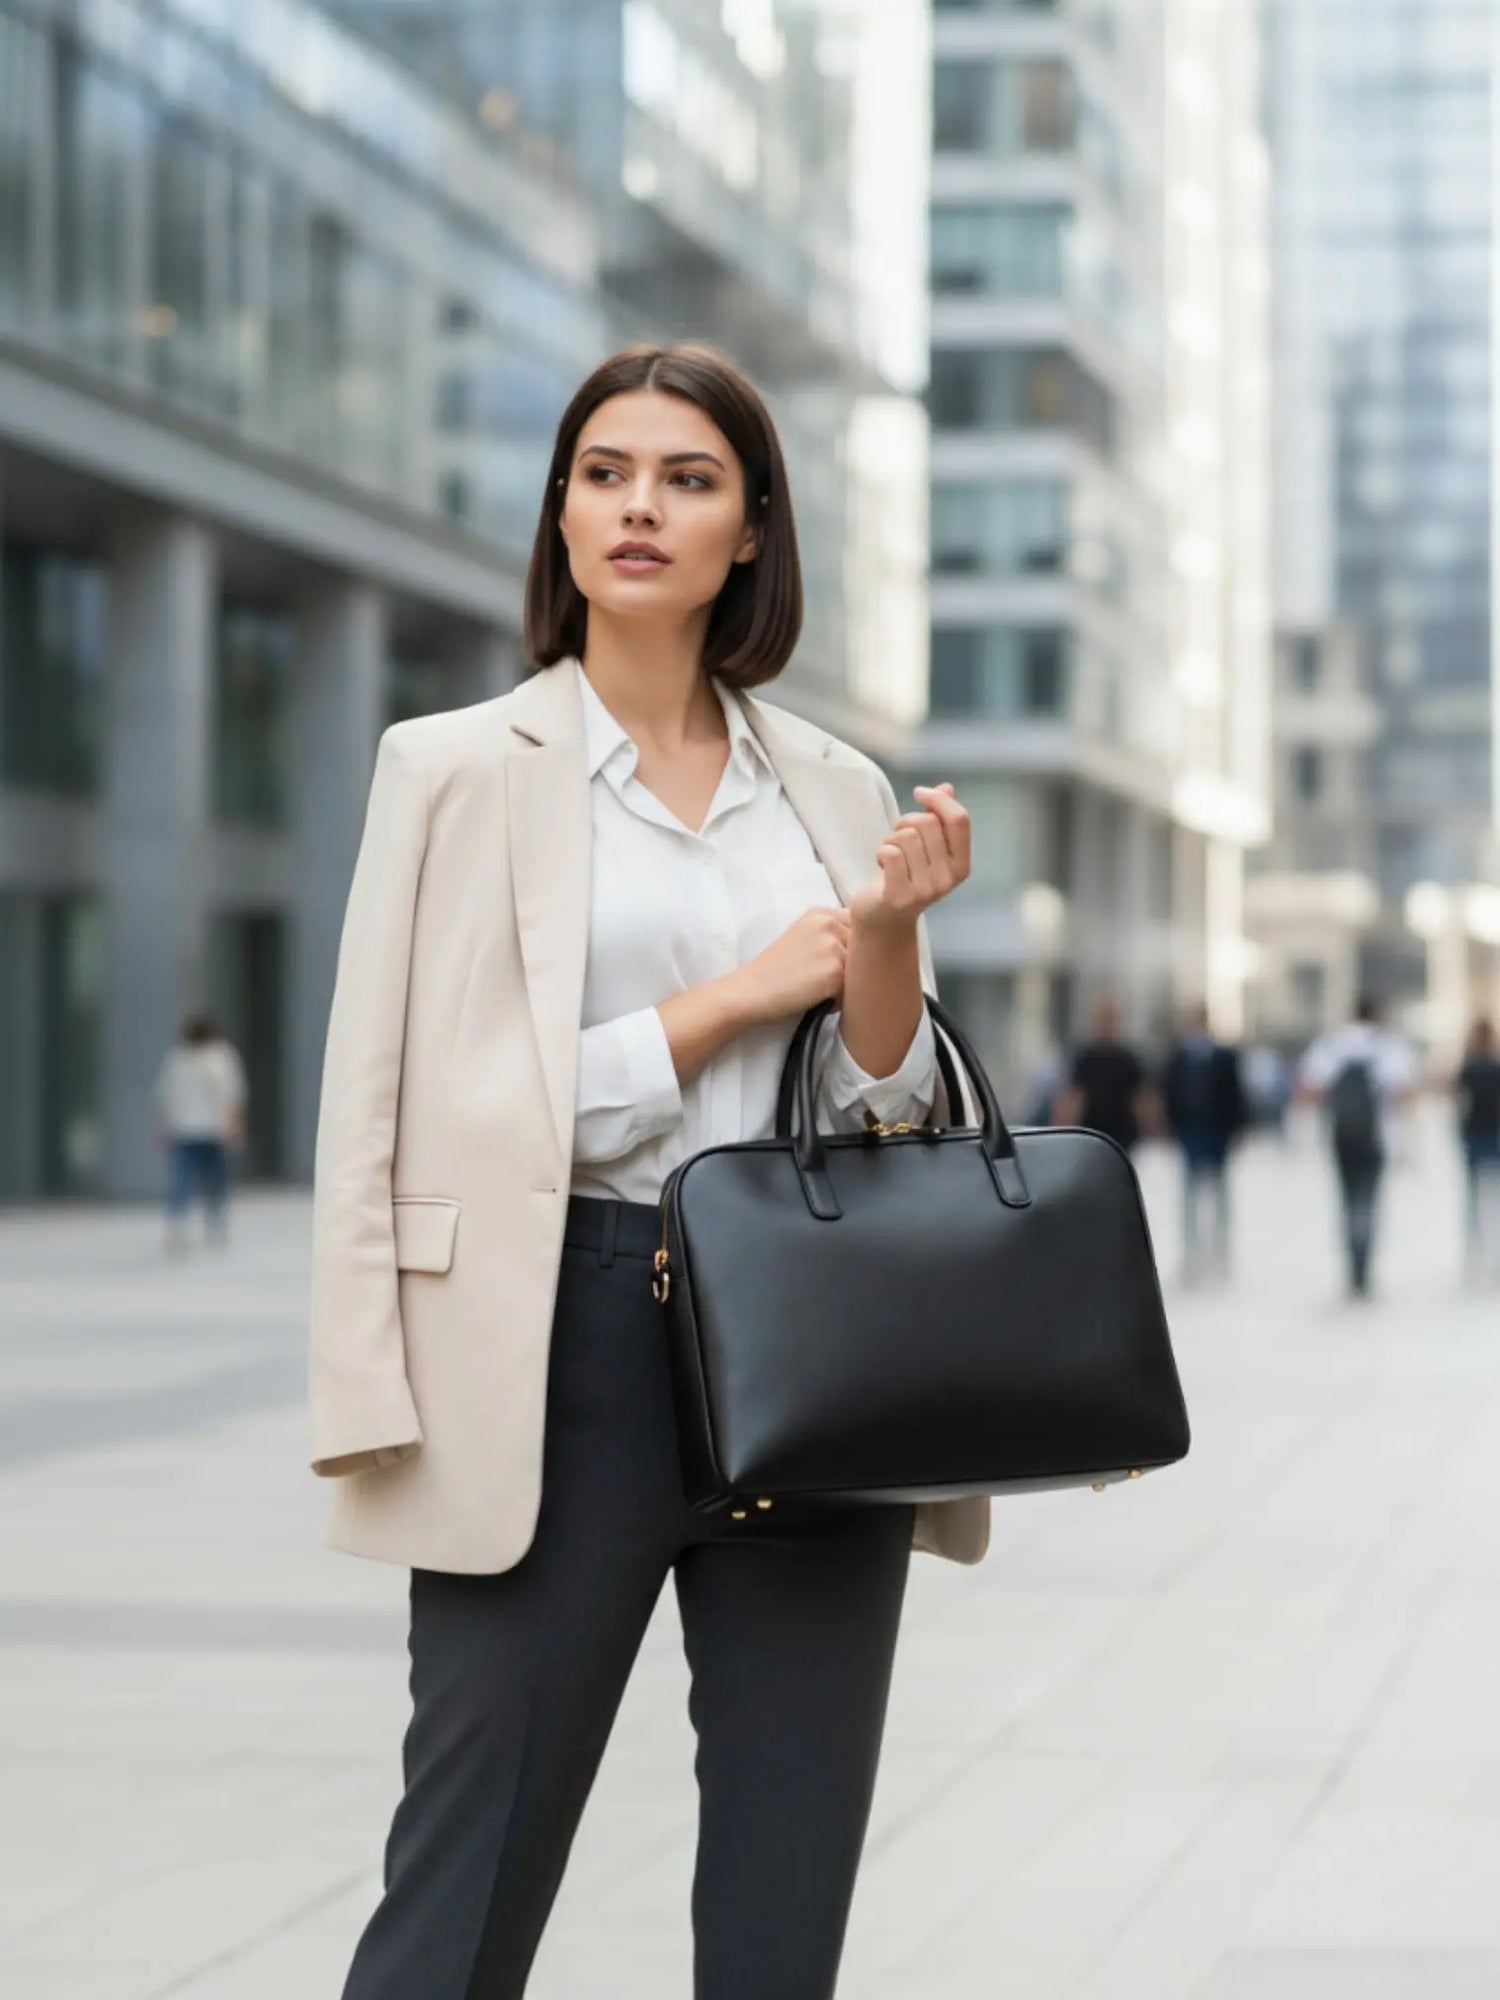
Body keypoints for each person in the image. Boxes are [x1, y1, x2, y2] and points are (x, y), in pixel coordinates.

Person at [311, 343, 989, 2000]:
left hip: (806, 1346)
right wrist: (729, 1003)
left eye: (688, 480)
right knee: (460, 1897)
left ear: (750, 529)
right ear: (559, 510)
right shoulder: (452, 769)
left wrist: (884, 941)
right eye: (607, 471)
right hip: (560, 1338)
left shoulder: (829, 783)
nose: (640, 507)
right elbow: (407, 1101)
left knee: (783, 1907)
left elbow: (889, 1108)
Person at [1297, 995, 1418, 1299]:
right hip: (1377, 1137)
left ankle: (1352, 1267)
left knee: (1347, 1201)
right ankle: (1365, 1268)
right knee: (1369, 1202)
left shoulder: (1333, 1045)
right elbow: (1405, 1092)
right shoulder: (1389, 1047)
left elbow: (1309, 1088)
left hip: (1340, 1135)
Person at [1161, 1002, 1248, 1280]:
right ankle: (1192, 1253)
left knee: (1219, 1193)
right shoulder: (1179, 1056)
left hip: (1217, 1130)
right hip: (1190, 1129)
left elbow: (1236, 1094)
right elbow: (1170, 1092)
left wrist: (1237, 1128)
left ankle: (1220, 1249)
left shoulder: (1223, 1056)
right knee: (1190, 1194)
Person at [152, 1012, 246, 1251]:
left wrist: (163, 1125)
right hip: (214, 1129)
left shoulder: (178, 1058)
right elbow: (232, 1093)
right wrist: (235, 1124)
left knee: (182, 1178)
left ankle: (178, 1225)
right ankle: (214, 1223)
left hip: (185, 1129)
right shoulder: (221, 1057)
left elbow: (165, 1095)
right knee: (214, 1179)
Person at [1053, 994, 1161, 1155]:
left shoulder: (1128, 1058)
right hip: (1091, 1130)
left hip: (1122, 1131)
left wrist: (1153, 1127)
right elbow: (1074, 1097)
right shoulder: (1085, 1058)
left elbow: (1141, 1097)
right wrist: (1062, 1125)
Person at [1453, 1016, 1500, 1278]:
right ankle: (1494, 1252)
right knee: (1495, 1198)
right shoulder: (1496, 1067)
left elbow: (1459, 1102)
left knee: (1473, 1197)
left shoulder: (1467, 1068)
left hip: (1472, 1135)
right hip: (1494, 1136)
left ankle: (1475, 1250)